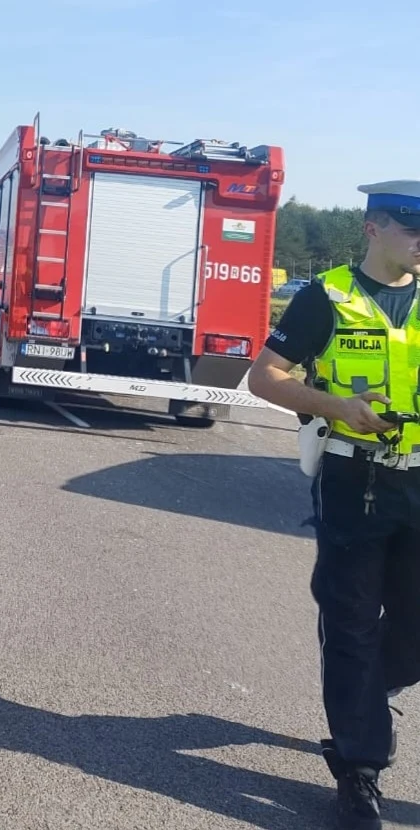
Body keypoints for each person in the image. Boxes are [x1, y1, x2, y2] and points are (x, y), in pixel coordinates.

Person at [248, 180, 420, 829]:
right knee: (350, 623)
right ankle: (359, 769)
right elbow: (263, 376)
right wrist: (335, 408)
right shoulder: (329, 297)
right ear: (374, 226)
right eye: (413, 229)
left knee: (408, 631)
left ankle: (365, 695)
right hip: (355, 481)